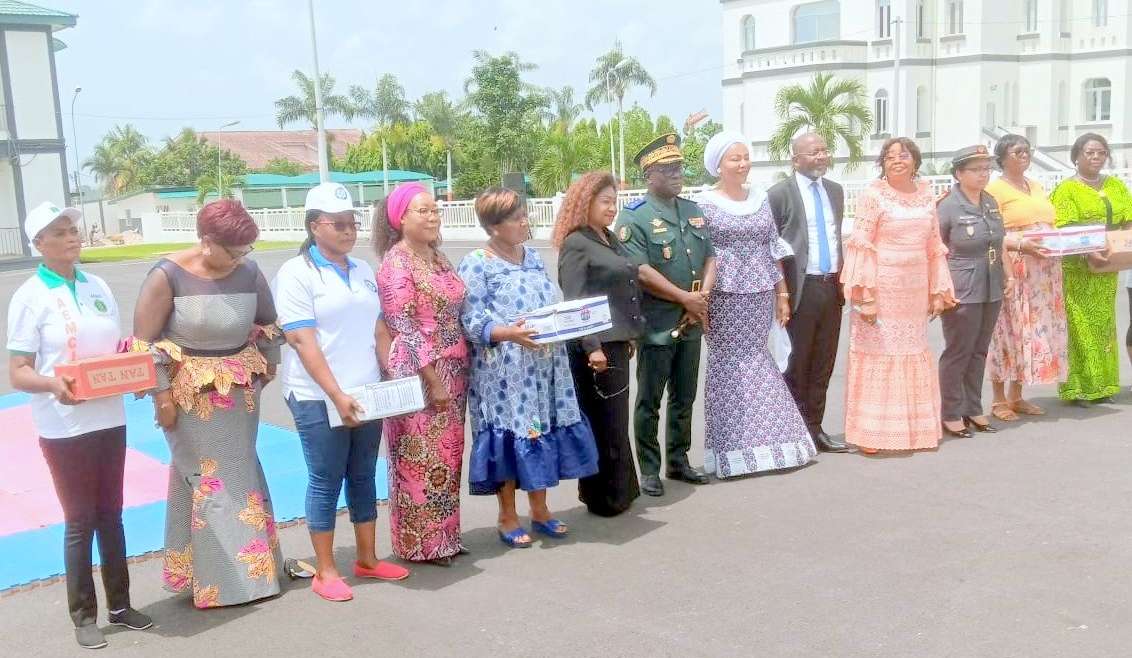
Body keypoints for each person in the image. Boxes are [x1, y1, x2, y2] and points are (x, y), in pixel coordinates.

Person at [7, 203, 152, 649]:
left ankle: (121, 604)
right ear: (39, 244)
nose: (71, 237)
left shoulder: (97, 285)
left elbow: (113, 349)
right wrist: (53, 384)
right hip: (65, 424)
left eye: (73, 229)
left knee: (112, 514)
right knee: (80, 520)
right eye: (59, 232)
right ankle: (83, 614)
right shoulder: (29, 296)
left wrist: (136, 369)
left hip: (109, 417)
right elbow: (18, 371)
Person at [132, 200, 284, 608]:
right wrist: (162, 396)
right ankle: (224, 583)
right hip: (189, 399)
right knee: (207, 480)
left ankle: (250, 573)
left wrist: (268, 364)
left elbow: (268, 323)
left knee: (240, 474)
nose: (240, 259)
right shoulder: (167, 276)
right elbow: (144, 346)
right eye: (232, 251)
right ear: (206, 241)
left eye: (245, 251)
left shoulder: (249, 271)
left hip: (239, 396)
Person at [274, 183, 409, 602]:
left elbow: (378, 329)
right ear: (315, 226)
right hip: (317, 396)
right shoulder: (296, 274)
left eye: (352, 223)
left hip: (365, 390)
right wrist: (336, 395)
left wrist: (392, 376)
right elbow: (303, 342)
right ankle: (326, 569)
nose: (348, 231)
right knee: (325, 477)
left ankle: (367, 558)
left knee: (364, 474)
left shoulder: (363, 270)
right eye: (338, 224)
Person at [458, 187, 598, 546]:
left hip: (545, 364)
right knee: (510, 438)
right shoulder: (477, 262)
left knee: (542, 430)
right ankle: (507, 516)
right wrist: (508, 333)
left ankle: (541, 510)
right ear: (493, 226)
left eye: (525, 215)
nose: (525, 222)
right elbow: (471, 318)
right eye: (516, 218)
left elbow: (550, 302)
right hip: (504, 372)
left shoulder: (533, 257)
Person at [698, 133, 816, 477]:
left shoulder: (760, 198)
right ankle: (733, 450)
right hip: (723, 293)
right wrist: (702, 300)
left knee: (758, 358)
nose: (742, 164)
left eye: (745, 157)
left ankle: (777, 444)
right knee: (729, 363)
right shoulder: (704, 203)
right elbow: (705, 256)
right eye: (734, 158)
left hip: (760, 291)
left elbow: (772, 246)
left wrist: (782, 294)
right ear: (718, 165)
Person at [614, 133, 717, 495]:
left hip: (691, 320)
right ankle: (649, 468)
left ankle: (678, 459)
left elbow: (709, 257)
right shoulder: (634, 218)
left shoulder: (693, 211)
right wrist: (682, 299)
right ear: (648, 175)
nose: (677, 173)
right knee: (650, 398)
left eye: (679, 167)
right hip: (657, 322)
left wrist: (702, 296)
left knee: (684, 394)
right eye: (668, 168)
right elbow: (640, 271)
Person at [374, 183, 470, 565]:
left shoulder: (437, 257)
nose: (432, 217)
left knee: (448, 458)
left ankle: (446, 536)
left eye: (434, 210)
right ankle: (420, 544)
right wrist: (433, 381)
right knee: (419, 459)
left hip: (455, 370)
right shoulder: (396, 264)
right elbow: (405, 327)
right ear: (400, 219)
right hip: (420, 375)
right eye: (422, 211)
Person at [841, 137, 955, 454]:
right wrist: (865, 296)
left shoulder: (925, 196)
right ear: (883, 163)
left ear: (915, 161)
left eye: (903, 155)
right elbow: (861, 243)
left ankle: (913, 430)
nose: (897, 161)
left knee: (911, 351)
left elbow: (934, 246)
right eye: (890, 156)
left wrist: (937, 291)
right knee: (880, 354)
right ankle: (870, 434)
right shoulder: (872, 196)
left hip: (915, 289)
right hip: (882, 287)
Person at [554, 171, 645, 516]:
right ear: (585, 203)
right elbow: (573, 301)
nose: (612, 208)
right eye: (605, 202)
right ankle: (604, 497)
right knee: (604, 422)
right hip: (596, 349)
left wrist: (629, 334)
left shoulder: (606, 238)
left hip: (616, 341)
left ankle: (621, 491)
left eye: (614, 202)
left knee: (614, 421)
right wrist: (591, 346)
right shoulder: (577, 242)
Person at [767, 132, 848, 452]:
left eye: (824, 150)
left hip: (831, 287)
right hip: (800, 290)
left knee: (823, 363)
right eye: (813, 152)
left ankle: (815, 428)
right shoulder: (779, 194)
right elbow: (770, 247)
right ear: (795, 158)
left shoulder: (836, 192)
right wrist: (780, 294)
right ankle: (793, 430)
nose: (820, 156)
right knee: (796, 363)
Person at [985, 135, 1066, 420]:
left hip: (1042, 273)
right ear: (1002, 157)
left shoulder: (1037, 185)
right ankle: (998, 399)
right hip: (1014, 266)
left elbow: (1050, 223)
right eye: (1016, 151)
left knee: (1030, 332)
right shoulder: (993, 190)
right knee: (1007, 331)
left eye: (1026, 150)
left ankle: (1017, 395)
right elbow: (992, 233)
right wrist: (1022, 243)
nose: (1023, 155)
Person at [1050, 133, 1131, 406]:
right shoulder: (1067, 190)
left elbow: (1128, 219)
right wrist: (1089, 251)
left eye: (1100, 152)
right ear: (1076, 156)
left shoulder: (1117, 186)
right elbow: (1063, 225)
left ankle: (1104, 384)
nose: (1096, 157)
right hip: (1078, 267)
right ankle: (1080, 388)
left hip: (1108, 265)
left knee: (1104, 325)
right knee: (1079, 325)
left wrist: (1123, 244)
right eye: (1089, 152)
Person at [936, 146, 1011, 438]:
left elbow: (999, 241)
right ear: (959, 173)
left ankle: (973, 407)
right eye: (976, 169)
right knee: (959, 350)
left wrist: (1009, 275)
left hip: (991, 284)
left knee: (979, 350)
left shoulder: (990, 202)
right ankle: (951, 412)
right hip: (962, 285)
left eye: (986, 169)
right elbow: (936, 249)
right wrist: (939, 288)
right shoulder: (948, 206)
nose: (983, 174)